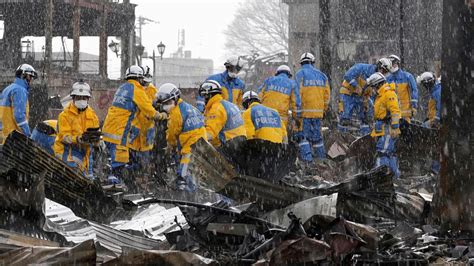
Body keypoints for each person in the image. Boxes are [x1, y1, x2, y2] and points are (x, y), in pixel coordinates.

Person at [102, 65, 167, 187]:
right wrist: (163, 116)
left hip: (109, 129)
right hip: (119, 132)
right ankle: (115, 187)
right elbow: (150, 111)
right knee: (119, 163)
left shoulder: (123, 88)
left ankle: (118, 181)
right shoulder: (137, 90)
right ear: (140, 78)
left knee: (122, 160)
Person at [157, 83, 206, 192]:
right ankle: (195, 195)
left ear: (175, 98)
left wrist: (170, 147)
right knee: (195, 175)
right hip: (202, 146)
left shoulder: (175, 114)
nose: (166, 106)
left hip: (190, 148)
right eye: (164, 103)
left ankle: (190, 200)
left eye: (168, 102)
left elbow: (172, 134)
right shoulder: (189, 107)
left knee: (184, 175)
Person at [53, 81, 100, 176]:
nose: (81, 100)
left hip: (86, 154)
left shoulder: (92, 115)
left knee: (88, 180)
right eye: (79, 97)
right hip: (67, 152)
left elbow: (96, 135)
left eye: (84, 98)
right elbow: (64, 137)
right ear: (73, 98)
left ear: (88, 98)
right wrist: (78, 139)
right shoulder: (64, 115)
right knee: (76, 177)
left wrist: (96, 141)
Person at [338, 58, 393, 135]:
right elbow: (347, 75)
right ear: (379, 66)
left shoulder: (379, 78)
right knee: (345, 118)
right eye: (384, 71)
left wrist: (367, 101)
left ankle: (364, 138)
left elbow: (374, 93)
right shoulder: (361, 67)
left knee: (366, 118)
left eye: (386, 72)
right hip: (348, 94)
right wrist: (356, 86)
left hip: (361, 97)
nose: (384, 73)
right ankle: (341, 137)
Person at [294, 52, 330, 161]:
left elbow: (297, 94)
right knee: (317, 139)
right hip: (318, 114)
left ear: (301, 63)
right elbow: (327, 96)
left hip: (304, 114)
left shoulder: (300, 74)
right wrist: (324, 110)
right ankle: (321, 161)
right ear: (312, 62)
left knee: (303, 137)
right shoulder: (322, 76)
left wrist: (297, 113)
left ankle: (307, 162)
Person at [367, 72, 401, 178]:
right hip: (382, 127)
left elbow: (395, 111)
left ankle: (380, 176)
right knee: (389, 153)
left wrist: (395, 127)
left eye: (373, 86)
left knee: (382, 152)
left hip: (388, 128)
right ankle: (394, 176)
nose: (372, 89)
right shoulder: (381, 95)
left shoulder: (388, 94)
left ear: (377, 84)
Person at [198, 80, 246, 147]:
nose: (204, 100)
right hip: (241, 143)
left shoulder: (216, 108)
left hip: (229, 146)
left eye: (204, 96)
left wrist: (195, 138)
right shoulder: (230, 105)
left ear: (208, 95)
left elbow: (209, 134)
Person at [0, 64, 38, 143]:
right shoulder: (20, 90)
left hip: (4, 134)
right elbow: (19, 116)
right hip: (13, 138)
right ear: (24, 75)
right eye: (30, 76)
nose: (31, 80)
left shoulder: (8, 89)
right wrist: (28, 135)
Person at [257, 65, 297, 130]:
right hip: (281, 118)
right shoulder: (291, 84)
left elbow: (259, 96)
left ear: (277, 73)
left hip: (266, 115)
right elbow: (294, 103)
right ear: (289, 75)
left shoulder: (268, 80)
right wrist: (295, 118)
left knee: (266, 135)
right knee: (279, 137)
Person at [418, 71, 442, 174]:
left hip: (438, 124)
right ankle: (433, 168)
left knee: (436, 146)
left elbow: (440, 108)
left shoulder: (438, 92)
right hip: (434, 121)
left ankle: (434, 170)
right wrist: (428, 119)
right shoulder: (435, 91)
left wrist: (435, 120)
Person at [386, 54, 418, 122]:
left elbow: (414, 90)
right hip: (393, 114)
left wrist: (414, 106)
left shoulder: (407, 76)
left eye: (393, 63)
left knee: (406, 131)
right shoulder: (388, 79)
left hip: (406, 113)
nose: (391, 66)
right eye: (390, 64)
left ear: (397, 63)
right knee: (394, 131)